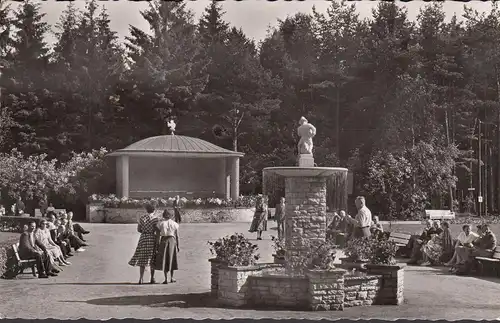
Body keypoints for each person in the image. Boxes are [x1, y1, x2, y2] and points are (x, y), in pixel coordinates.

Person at [128, 202, 159, 284]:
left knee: (142, 258)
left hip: (144, 238)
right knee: (152, 258)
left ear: (146, 210)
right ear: (154, 210)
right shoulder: (155, 219)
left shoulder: (142, 218)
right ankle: (152, 278)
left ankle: (141, 278)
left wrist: (144, 231)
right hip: (152, 238)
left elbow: (139, 229)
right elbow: (157, 230)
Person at [155, 209, 180, 284]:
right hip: (172, 240)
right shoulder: (175, 224)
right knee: (172, 258)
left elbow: (158, 235)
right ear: (171, 216)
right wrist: (178, 245)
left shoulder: (161, 223)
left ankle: (165, 279)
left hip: (164, 241)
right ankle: (171, 278)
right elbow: (177, 236)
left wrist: (157, 245)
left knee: (165, 259)